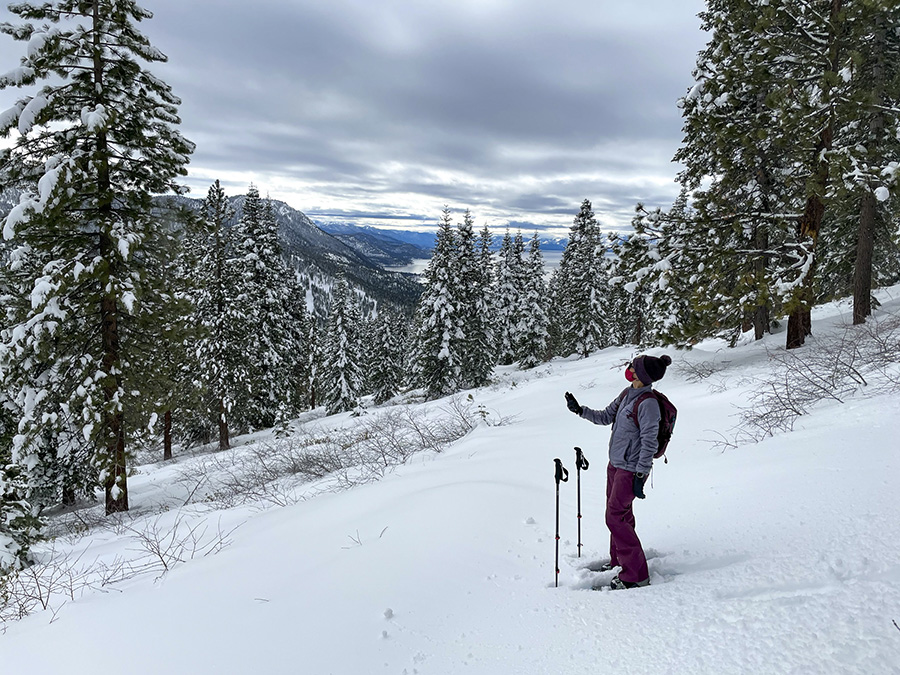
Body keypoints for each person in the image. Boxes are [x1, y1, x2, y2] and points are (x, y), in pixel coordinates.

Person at [564, 354, 672, 590]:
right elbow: (605, 416)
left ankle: (636, 575)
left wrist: (641, 475)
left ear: (641, 375)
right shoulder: (626, 394)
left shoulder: (648, 404)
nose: (629, 368)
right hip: (615, 465)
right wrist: (580, 410)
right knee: (621, 515)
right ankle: (618, 561)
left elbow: (649, 442)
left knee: (615, 517)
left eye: (633, 367)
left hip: (630, 470)